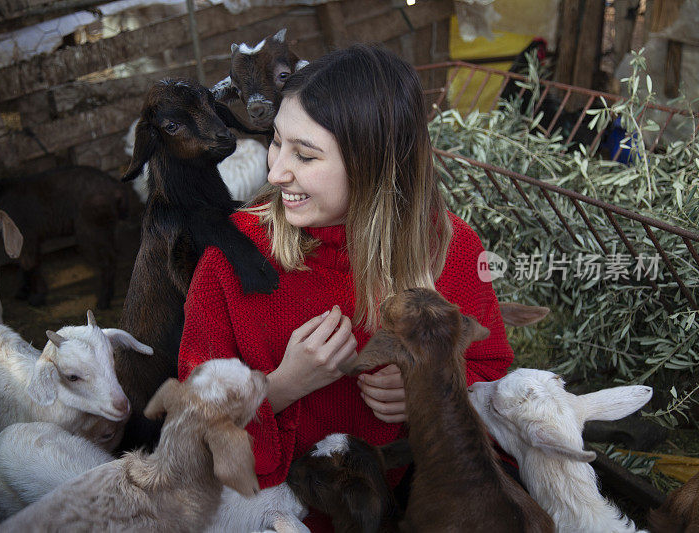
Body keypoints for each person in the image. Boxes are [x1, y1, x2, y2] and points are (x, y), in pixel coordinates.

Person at [178, 44, 514, 527]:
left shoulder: (451, 250)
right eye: (276, 141)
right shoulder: (234, 256)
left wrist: (435, 392)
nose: (275, 172)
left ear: (374, 161)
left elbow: (493, 373)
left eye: (305, 155)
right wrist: (277, 388)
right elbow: (190, 416)